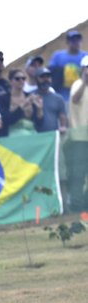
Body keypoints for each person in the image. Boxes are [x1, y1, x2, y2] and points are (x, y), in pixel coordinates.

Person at [67, 58, 88, 212]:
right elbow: (75, 99)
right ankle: (76, 206)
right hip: (79, 137)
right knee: (78, 173)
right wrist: (85, 82)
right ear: (82, 69)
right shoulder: (77, 85)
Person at [48, 29, 87, 100]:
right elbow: (50, 72)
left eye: (78, 40)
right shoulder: (58, 56)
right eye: (73, 40)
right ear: (68, 42)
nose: (76, 42)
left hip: (82, 93)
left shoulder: (85, 56)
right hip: (62, 94)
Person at [5, 70, 43, 136]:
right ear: (10, 81)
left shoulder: (30, 96)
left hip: (32, 134)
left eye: (23, 78)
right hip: (13, 136)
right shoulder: (4, 98)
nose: (21, 80)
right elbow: (6, 119)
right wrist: (23, 105)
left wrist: (39, 109)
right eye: (17, 79)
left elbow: (39, 122)